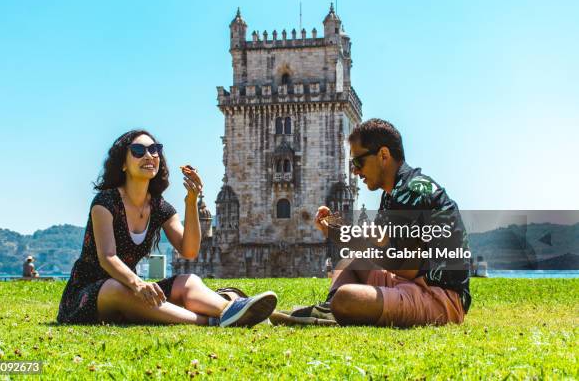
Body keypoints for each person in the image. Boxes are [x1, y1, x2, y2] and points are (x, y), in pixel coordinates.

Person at [57, 129, 277, 326]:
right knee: (116, 288)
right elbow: (107, 257)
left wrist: (191, 202)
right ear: (123, 164)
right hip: (90, 294)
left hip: (130, 288)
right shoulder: (105, 202)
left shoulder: (160, 207)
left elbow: (189, 250)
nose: (149, 155)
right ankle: (209, 320)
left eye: (154, 150)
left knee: (188, 281)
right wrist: (139, 284)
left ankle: (231, 311)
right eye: (138, 150)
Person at [271, 118, 471, 327]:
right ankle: (330, 310)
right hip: (411, 284)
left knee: (347, 297)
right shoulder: (393, 193)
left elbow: (407, 266)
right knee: (351, 262)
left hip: (440, 298)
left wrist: (347, 237)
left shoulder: (412, 192)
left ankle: (337, 309)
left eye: (359, 162)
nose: (355, 171)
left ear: (383, 155)